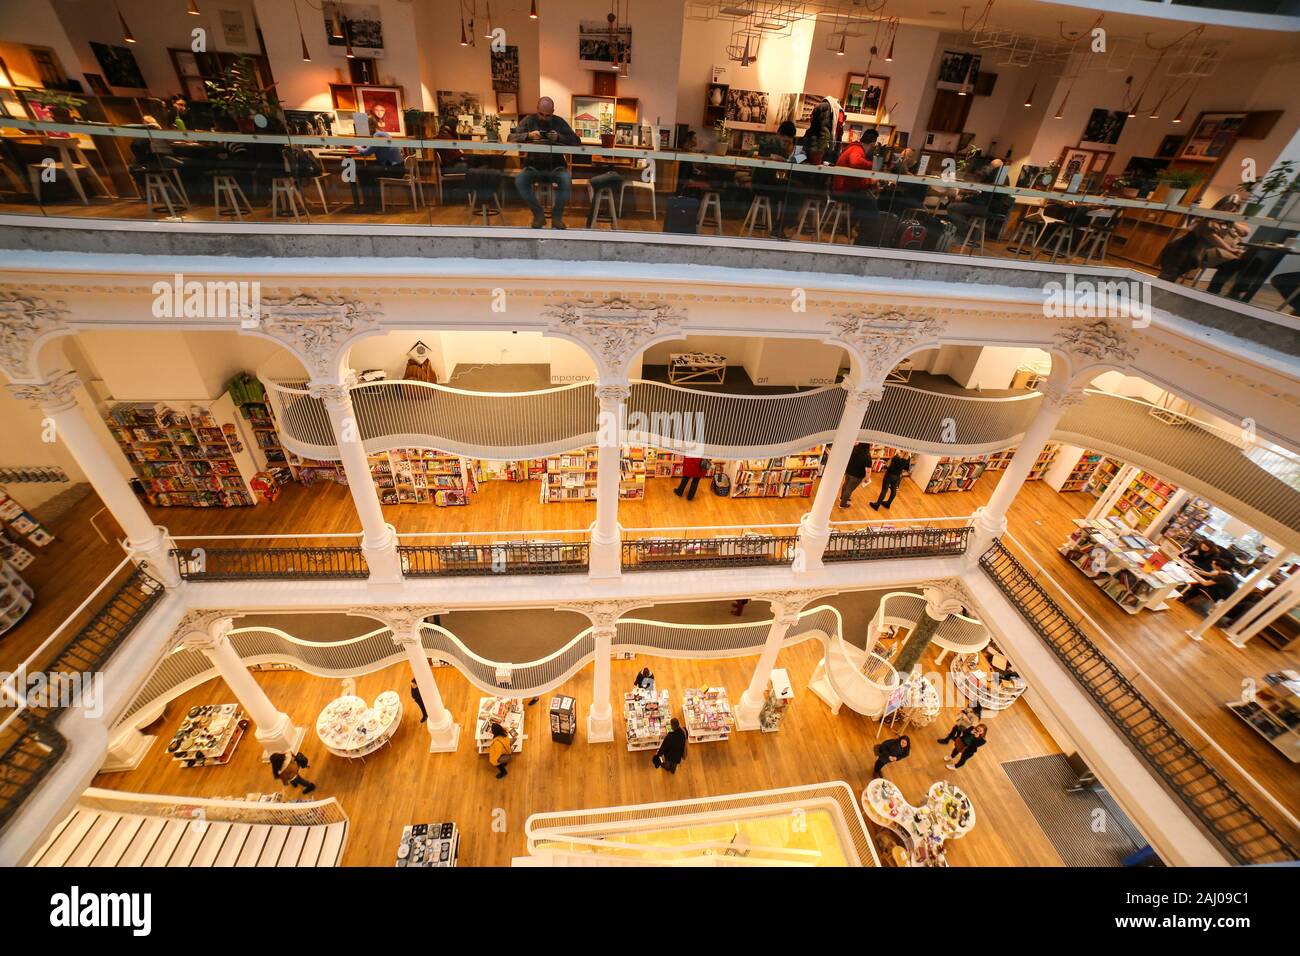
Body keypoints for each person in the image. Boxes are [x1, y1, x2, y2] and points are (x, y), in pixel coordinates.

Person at [508, 97, 582, 229]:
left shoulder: (559, 122)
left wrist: (559, 137)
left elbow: (576, 141)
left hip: (556, 167)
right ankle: (538, 214)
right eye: (541, 114)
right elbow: (511, 138)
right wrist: (528, 135)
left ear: (553, 112)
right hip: (533, 166)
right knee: (520, 180)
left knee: (566, 179)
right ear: (537, 109)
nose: (544, 118)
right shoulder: (529, 120)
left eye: (548, 115)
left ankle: (557, 217)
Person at [832, 129, 880, 239]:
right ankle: (867, 237)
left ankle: (848, 227)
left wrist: (867, 182)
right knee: (869, 203)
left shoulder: (852, 147)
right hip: (842, 191)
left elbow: (854, 178)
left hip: (841, 188)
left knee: (865, 200)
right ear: (872, 144)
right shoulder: (857, 149)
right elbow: (855, 162)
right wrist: (872, 166)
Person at [352, 130, 404, 211]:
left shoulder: (377, 136)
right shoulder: (384, 134)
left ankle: (372, 204)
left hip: (393, 171)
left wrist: (357, 147)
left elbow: (366, 152)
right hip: (399, 169)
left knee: (363, 171)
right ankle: (373, 203)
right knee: (367, 172)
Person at [838, 442, 873, 509]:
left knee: (845, 485)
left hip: (848, 471)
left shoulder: (854, 449)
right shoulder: (867, 456)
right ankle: (843, 504)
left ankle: (842, 497)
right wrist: (867, 479)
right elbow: (868, 471)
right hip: (857, 476)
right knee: (849, 490)